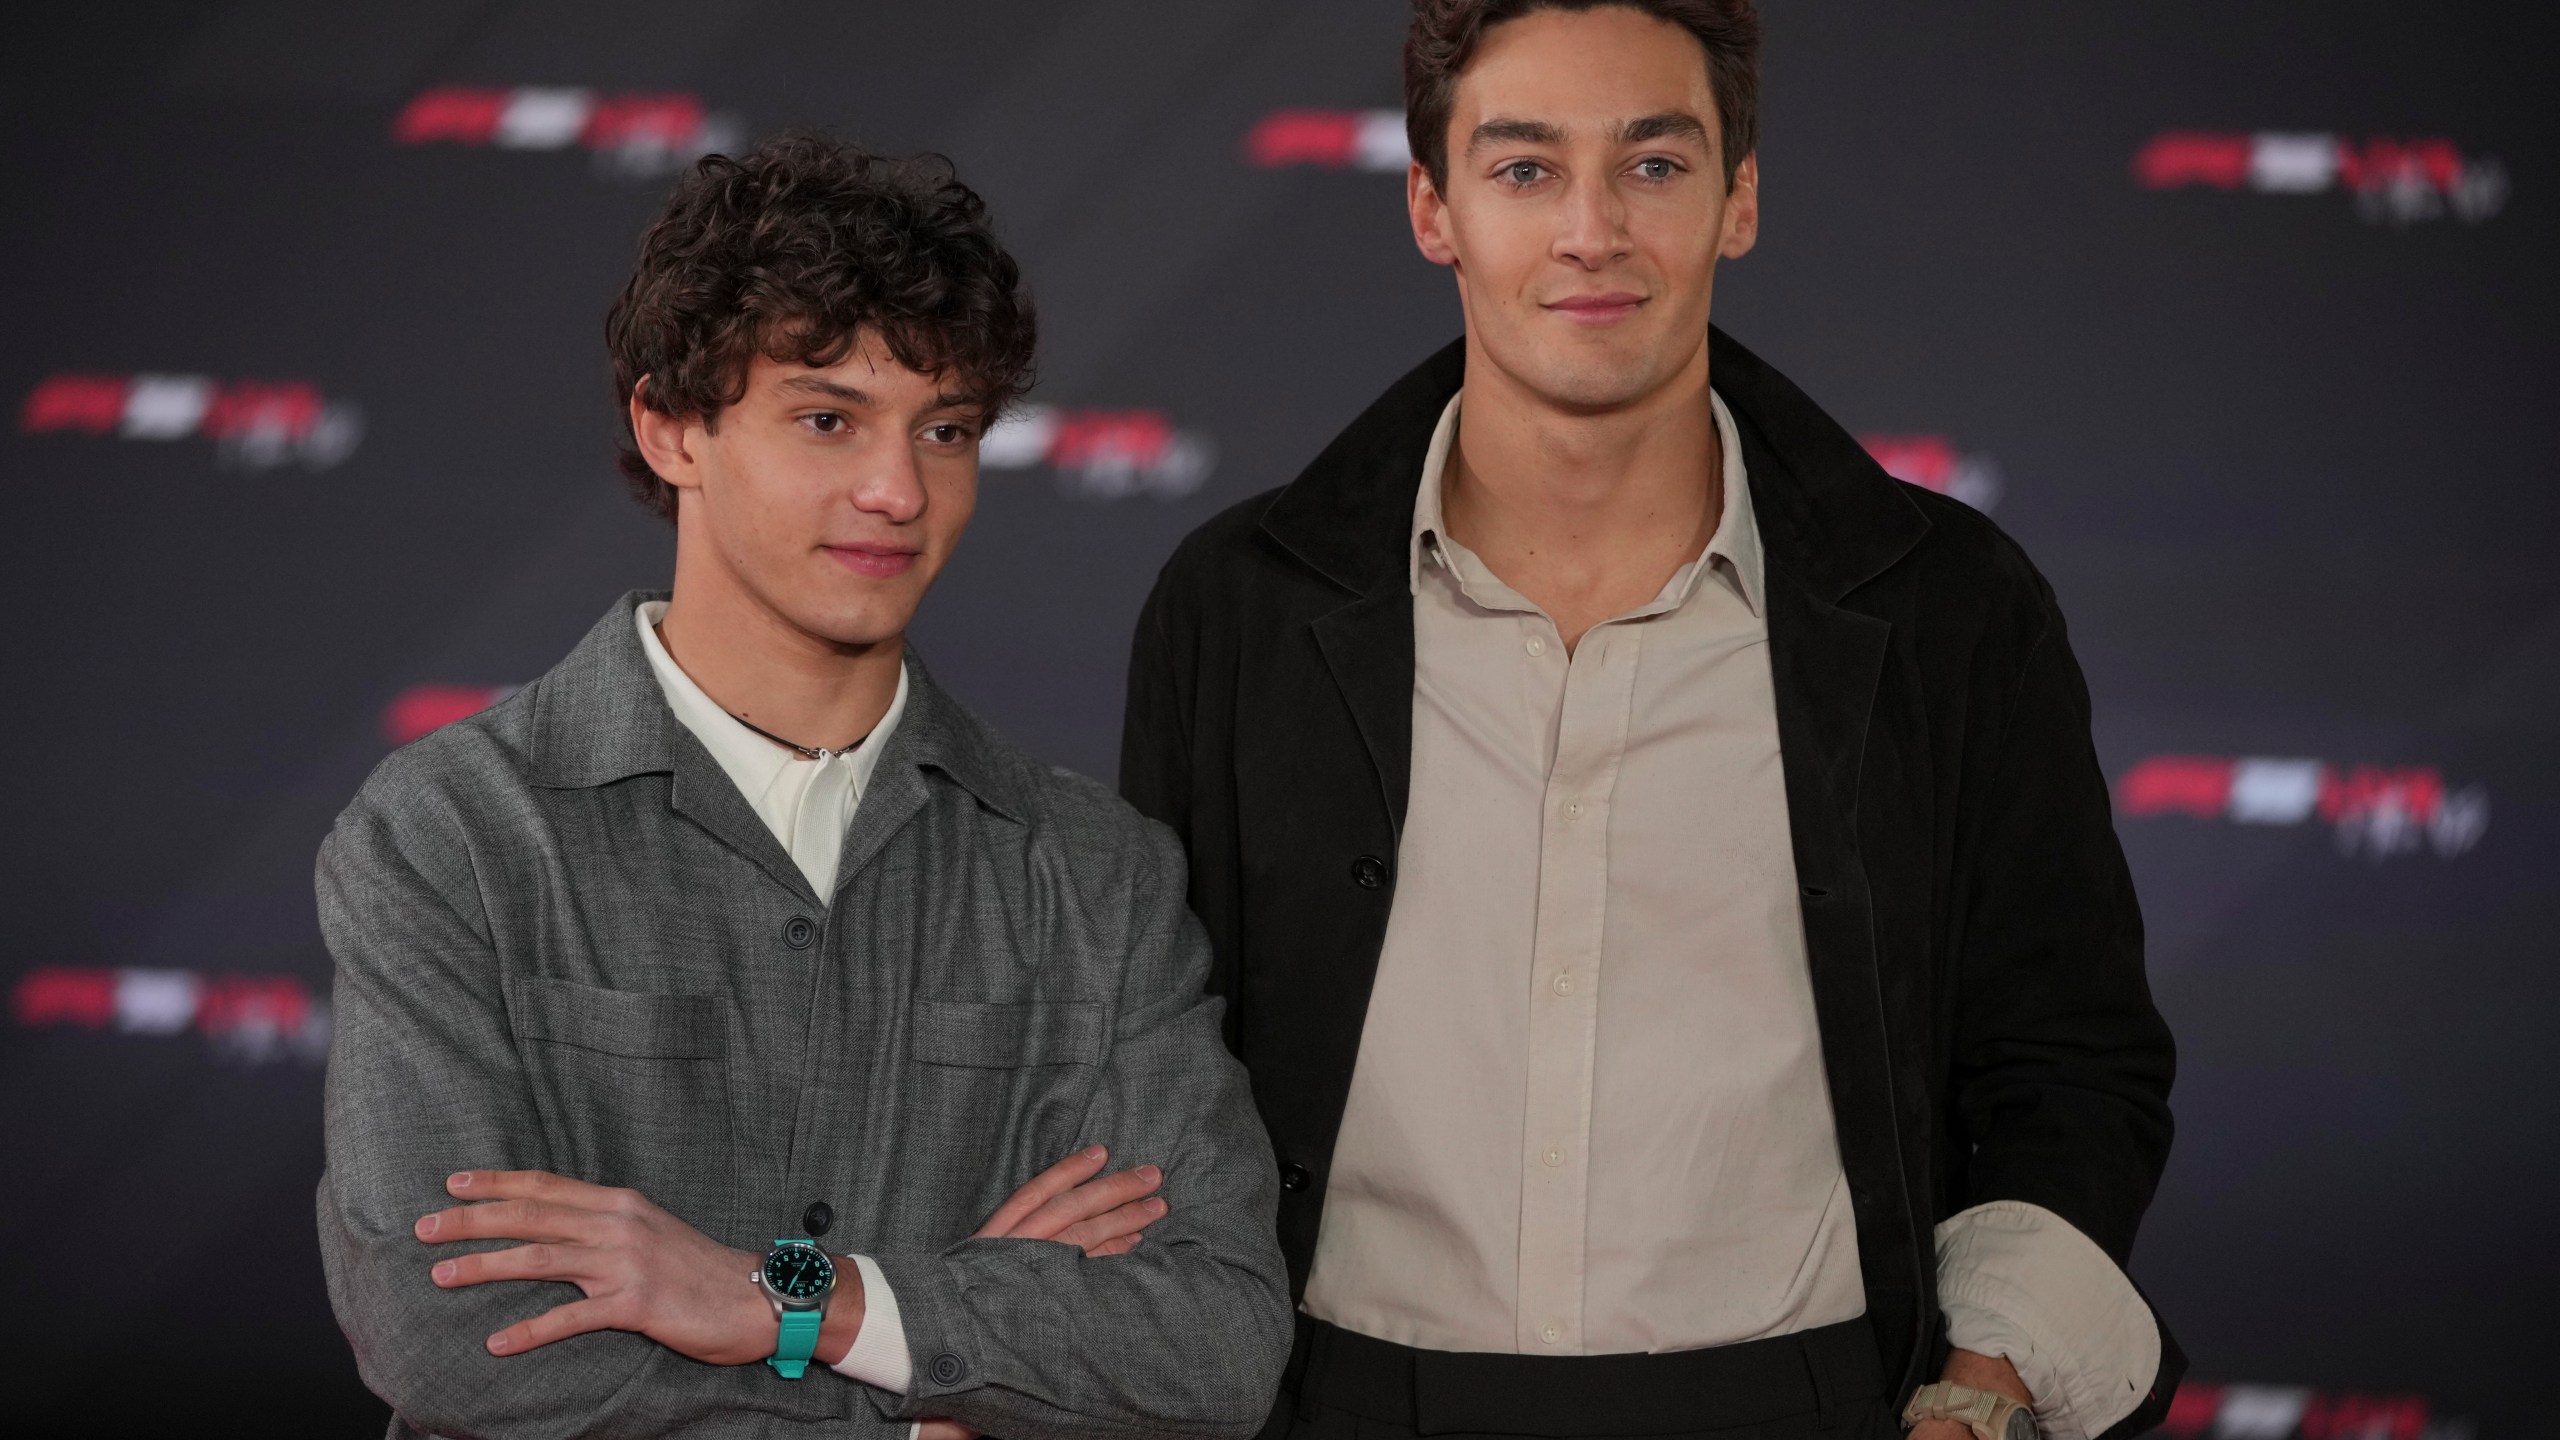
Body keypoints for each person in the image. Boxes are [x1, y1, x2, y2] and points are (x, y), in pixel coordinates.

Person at [1120, 5, 2180, 1439]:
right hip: (1341, 1397)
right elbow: (1152, 1064)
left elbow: (2070, 1057)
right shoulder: (1236, 609)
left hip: (1806, 1399)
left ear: (1741, 196)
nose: (1592, 231)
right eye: (1524, 169)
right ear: (1432, 206)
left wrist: (1981, 1388)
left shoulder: (1949, 609)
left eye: (1656, 165)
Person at [317, 132, 1292, 1440]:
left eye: (944, 430)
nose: (898, 490)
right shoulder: (455, 836)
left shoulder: (1093, 872)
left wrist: (796, 1297)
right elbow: (459, 1344)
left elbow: (1213, 1344)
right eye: (827, 418)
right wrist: (936, 1397)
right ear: (670, 428)